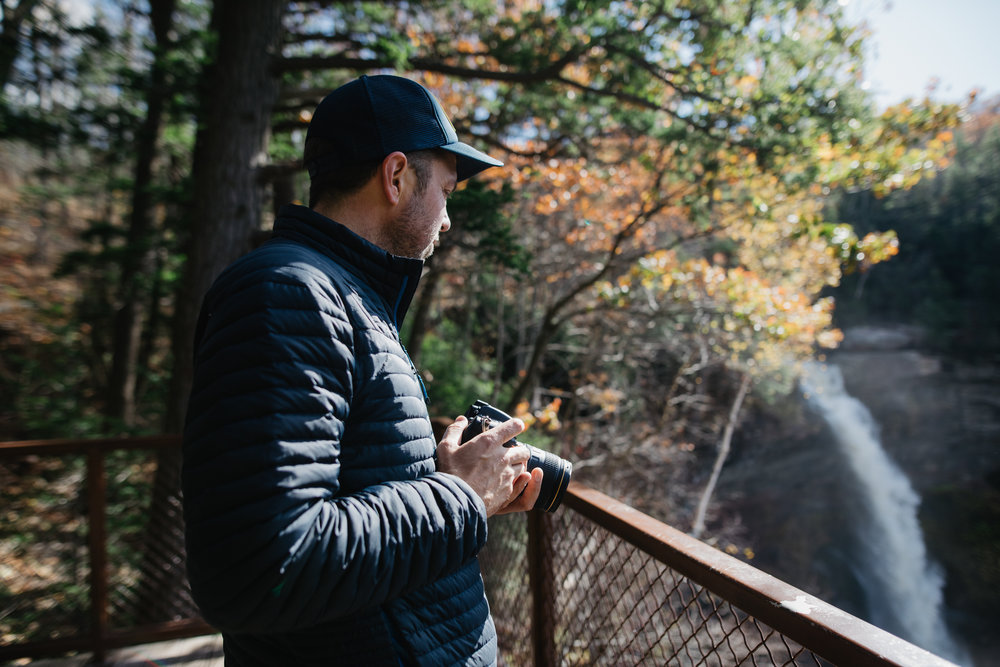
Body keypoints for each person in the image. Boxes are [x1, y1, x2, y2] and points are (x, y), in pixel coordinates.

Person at [181, 74, 544, 666]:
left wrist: (455, 479)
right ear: (396, 176)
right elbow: (261, 568)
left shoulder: (345, 298)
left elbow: (353, 486)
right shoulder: (287, 294)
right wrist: (460, 497)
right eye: (446, 192)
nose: (447, 221)